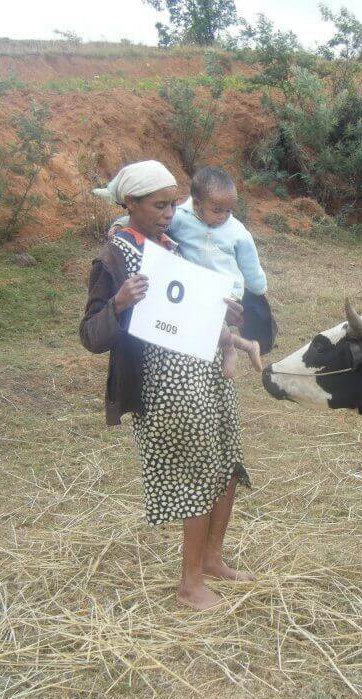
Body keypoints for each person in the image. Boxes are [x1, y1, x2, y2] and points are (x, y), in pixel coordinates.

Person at [82, 160, 253, 611]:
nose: (168, 212)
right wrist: (118, 303)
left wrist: (226, 321)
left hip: (207, 372)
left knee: (227, 463)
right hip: (166, 388)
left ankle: (213, 560)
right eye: (159, 205)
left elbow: (185, 316)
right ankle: (189, 584)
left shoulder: (171, 248)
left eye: (173, 204)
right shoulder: (114, 256)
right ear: (130, 203)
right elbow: (91, 335)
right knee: (195, 476)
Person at [109, 165, 272, 378]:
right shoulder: (180, 218)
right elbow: (145, 221)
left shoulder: (237, 231)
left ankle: (231, 349)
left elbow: (250, 263)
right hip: (192, 286)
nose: (223, 216)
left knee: (213, 320)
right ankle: (243, 346)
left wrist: (258, 287)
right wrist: (120, 224)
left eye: (229, 210)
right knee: (200, 323)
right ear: (197, 204)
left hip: (226, 289)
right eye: (217, 210)